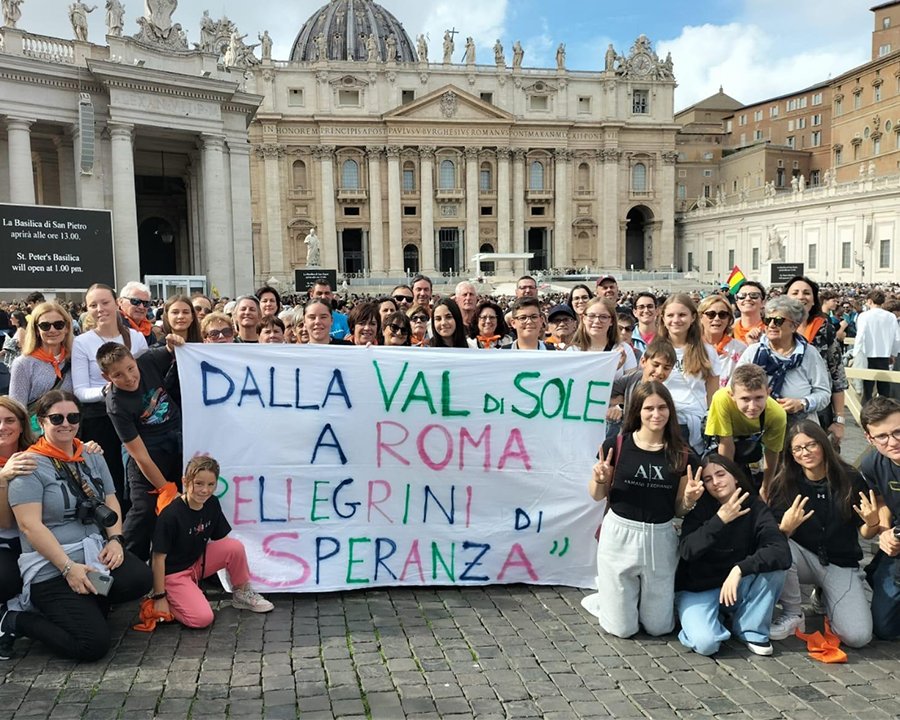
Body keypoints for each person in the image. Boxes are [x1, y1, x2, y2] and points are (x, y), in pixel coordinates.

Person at [2, 390, 151, 661]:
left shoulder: (91, 454)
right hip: (53, 568)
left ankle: (88, 603)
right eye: (56, 418)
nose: (66, 424)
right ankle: (16, 620)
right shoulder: (29, 464)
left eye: (73, 417)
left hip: (92, 553)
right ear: (41, 421)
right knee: (92, 645)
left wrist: (116, 541)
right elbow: (29, 526)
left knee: (138, 578)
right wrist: (68, 568)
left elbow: (110, 498)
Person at [581, 381, 703, 638]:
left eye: (662, 408)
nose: (656, 414)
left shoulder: (682, 454)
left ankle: (627, 600)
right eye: (649, 408)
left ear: (670, 411)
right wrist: (600, 480)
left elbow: (679, 511)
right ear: (637, 410)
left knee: (659, 628)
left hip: (660, 537)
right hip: (619, 536)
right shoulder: (615, 445)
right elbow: (596, 495)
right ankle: (607, 598)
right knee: (623, 630)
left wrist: (690, 499)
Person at [765, 420, 873, 648]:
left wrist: (871, 524)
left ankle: (825, 596)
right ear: (791, 454)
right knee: (781, 545)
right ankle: (794, 613)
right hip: (800, 558)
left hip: (839, 562)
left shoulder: (850, 479)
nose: (805, 452)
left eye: (811, 445)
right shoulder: (784, 483)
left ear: (824, 445)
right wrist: (785, 528)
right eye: (798, 448)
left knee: (857, 637)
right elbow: (770, 540)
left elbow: (864, 531)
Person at [675, 454, 790, 656]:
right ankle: (703, 621)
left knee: (776, 570)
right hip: (698, 588)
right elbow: (687, 551)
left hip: (735, 585)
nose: (716, 482)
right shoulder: (700, 506)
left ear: (735, 477)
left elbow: (780, 550)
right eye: (708, 479)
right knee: (706, 644)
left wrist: (739, 569)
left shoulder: (754, 506)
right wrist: (720, 519)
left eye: (720, 474)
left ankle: (750, 629)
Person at [149, 456, 273, 628]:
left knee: (234, 547)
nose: (205, 490)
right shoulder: (170, 515)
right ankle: (168, 601)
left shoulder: (212, 503)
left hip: (196, 564)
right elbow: (157, 558)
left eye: (210, 485)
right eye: (198, 483)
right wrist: (159, 595)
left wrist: (233, 571)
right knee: (202, 619)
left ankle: (241, 593)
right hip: (173, 573)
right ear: (185, 481)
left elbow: (223, 541)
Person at [98, 336, 184, 562]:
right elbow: (140, 456)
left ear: (135, 360)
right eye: (118, 375)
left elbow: (171, 348)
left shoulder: (147, 360)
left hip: (179, 438)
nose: (129, 378)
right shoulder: (116, 405)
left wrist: (173, 341)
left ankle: (181, 559)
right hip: (147, 451)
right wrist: (166, 488)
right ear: (106, 378)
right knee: (144, 509)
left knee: (189, 499)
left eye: (130, 368)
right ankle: (127, 562)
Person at [73, 284, 148, 510]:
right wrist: (107, 390)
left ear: (117, 304)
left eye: (105, 302)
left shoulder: (136, 338)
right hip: (101, 420)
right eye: (93, 305)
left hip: (136, 417)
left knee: (138, 475)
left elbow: (144, 379)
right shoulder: (81, 342)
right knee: (111, 478)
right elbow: (80, 390)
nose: (99, 309)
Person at [736, 296, 830, 428]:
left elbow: (824, 394)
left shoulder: (809, 353)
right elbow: (733, 387)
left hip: (799, 428)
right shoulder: (753, 352)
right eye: (768, 320)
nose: (771, 325)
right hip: (757, 426)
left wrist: (802, 403)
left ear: (794, 326)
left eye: (778, 320)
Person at [784, 276, 848, 447]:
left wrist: (839, 420)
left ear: (813, 301)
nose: (801, 296)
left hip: (820, 411)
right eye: (795, 292)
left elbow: (837, 375)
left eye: (806, 293)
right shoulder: (772, 328)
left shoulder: (824, 329)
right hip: (782, 411)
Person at [705, 364, 787, 491]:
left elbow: (772, 453)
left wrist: (766, 488)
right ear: (732, 395)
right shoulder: (721, 398)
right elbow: (726, 444)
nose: (752, 406)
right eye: (745, 399)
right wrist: (729, 486)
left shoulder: (777, 415)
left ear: (768, 393)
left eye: (759, 398)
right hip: (723, 441)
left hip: (751, 441)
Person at [858, 397, 900, 640]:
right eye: (882, 437)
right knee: (884, 628)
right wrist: (884, 532)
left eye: (897, 432)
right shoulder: (872, 463)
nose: (892, 442)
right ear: (869, 439)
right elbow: (882, 502)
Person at [657, 294, 719, 452]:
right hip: (663, 420)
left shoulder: (707, 351)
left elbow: (713, 390)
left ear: (693, 318)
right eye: (670, 315)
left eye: (682, 315)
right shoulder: (655, 350)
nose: (676, 320)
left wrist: (711, 420)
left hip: (694, 422)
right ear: (663, 319)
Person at [0, 397, 36, 631]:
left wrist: (90, 446)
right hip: (5, 540)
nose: (2, 427)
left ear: (22, 424)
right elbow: (4, 521)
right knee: (6, 579)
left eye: (9, 420)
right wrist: (3, 477)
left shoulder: (36, 454)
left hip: (34, 539)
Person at [10, 303, 75, 417]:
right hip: (36, 431)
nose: (52, 330)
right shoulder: (23, 363)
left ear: (67, 328)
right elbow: (17, 410)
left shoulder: (75, 359)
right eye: (45, 326)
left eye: (59, 324)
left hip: (70, 428)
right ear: (36, 330)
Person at [606, 338, 676, 437]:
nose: (660, 371)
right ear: (643, 362)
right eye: (656, 365)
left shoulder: (667, 393)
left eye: (666, 368)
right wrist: (615, 367)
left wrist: (622, 404)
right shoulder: (632, 379)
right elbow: (603, 391)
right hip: (627, 438)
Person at [569, 297, 637, 377]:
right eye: (591, 316)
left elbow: (631, 385)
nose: (597, 321)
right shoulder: (572, 351)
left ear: (611, 321)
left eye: (603, 317)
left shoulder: (624, 350)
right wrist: (612, 368)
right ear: (584, 319)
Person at [854, 289, 900, 403]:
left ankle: (866, 414)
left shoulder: (864, 316)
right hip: (885, 355)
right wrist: (893, 353)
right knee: (884, 389)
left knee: (867, 390)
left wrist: (856, 353)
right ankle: (884, 414)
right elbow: (896, 338)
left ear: (869, 301)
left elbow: (860, 336)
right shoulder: (891, 316)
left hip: (867, 355)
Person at [698, 295, 746, 388]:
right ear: (700, 317)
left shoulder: (740, 349)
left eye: (722, 315)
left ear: (729, 319)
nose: (717, 319)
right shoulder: (690, 347)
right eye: (711, 314)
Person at [118, 281, 158, 347]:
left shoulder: (150, 331)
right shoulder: (114, 327)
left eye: (146, 303)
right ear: (120, 302)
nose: (141, 307)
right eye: (135, 301)